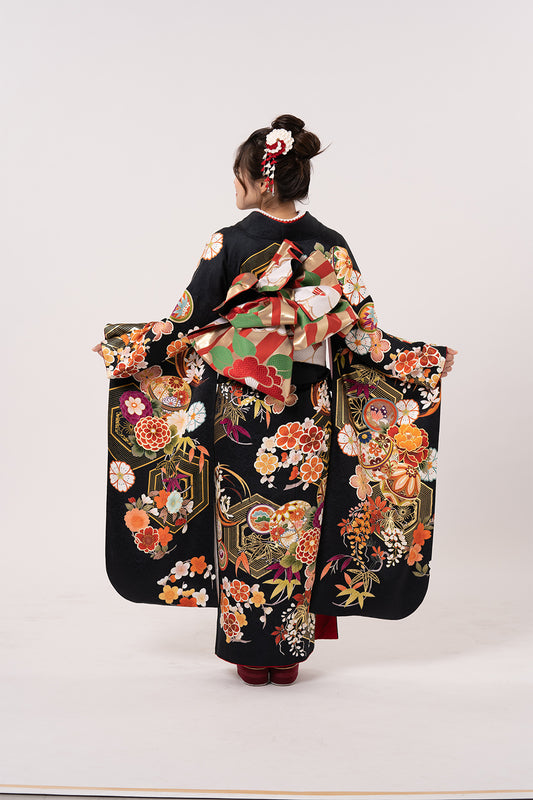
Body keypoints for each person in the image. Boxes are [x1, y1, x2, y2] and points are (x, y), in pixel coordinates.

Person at [94, 114, 456, 687]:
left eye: (238, 175)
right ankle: (285, 655)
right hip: (306, 407)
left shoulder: (228, 241)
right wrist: (414, 361)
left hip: (242, 408)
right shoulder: (331, 245)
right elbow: (362, 337)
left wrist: (127, 350)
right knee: (294, 526)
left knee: (246, 522)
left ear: (263, 181)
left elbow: (186, 322)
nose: (233, 185)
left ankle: (253, 651)